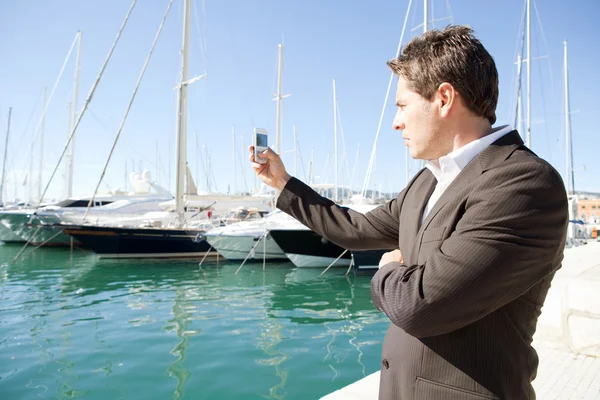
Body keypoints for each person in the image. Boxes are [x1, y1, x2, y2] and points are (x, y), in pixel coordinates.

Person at [249, 25, 568, 400]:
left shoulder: (524, 183)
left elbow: (420, 306)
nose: (396, 122)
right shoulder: (427, 182)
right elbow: (357, 229)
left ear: (444, 98)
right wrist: (283, 184)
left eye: (402, 105)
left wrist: (387, 272)